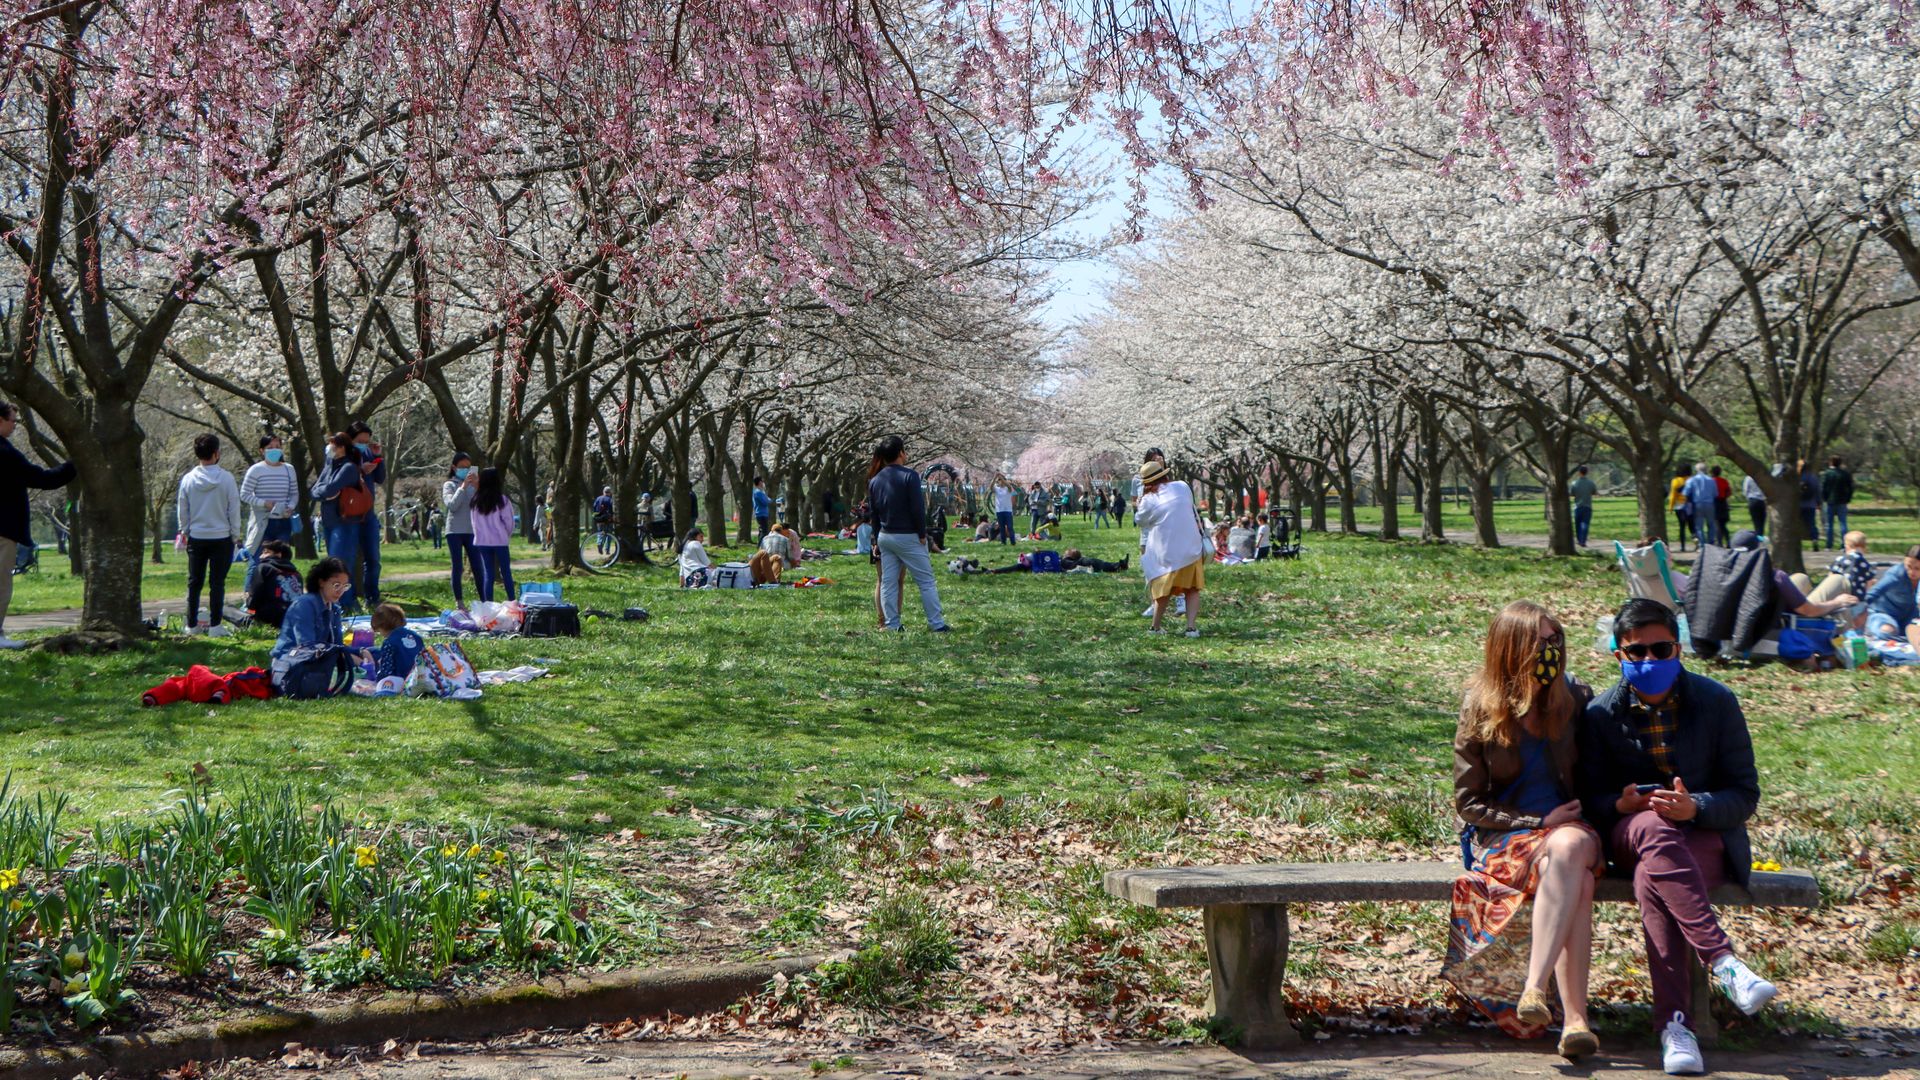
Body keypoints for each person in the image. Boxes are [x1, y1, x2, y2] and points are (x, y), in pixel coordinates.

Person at [1580, 597, 1779, 1075]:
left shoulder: (1716, 702)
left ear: (1679, 650)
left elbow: (1744, 793)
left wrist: (1698, 806)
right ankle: (1724, 962)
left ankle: (1675, 1025)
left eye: (1661, 649)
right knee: (1651, 828)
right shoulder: (1600, 715)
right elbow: (1588, 798)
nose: (1649, 661)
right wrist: (1620, 804)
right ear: (1618, 656)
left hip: (1703, 838)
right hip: (1631, 833)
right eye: (1636, 653)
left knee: (1656, 878)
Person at [1444, 601, 1600, 1059]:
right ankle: (1575, 1021)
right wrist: (1537, 822)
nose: (1552, 650)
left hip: (1574, 832)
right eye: (1540, 643)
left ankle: (1533, 988)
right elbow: (1469, 802)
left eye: (1557, 640)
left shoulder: (1577, 699)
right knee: (1579, 879)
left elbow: (1599, 776)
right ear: (1512, 649)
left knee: (1570, 845)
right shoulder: (1482, 705)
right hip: (1507, 838)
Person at [0, 402, 77, 649]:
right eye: (12, 420)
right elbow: (40, 479)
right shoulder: (4, 452)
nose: (14, 425)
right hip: (2, 529)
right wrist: (73, 465)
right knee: (1, 584)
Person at [867, 435, 949, 632]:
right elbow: (917, 508)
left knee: (888, 582)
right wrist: (922, 533)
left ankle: (892, 624)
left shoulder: (875, 480)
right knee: (926, 581)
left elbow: (874, 513)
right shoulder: (909, 476)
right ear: (901, 453)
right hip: (908, 535)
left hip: (885, 536)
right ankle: (936, 624)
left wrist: (876, 538)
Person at [270, 557, 370, 699]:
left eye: (345, 586)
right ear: (321, 582)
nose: (341, 591)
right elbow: (306, 647)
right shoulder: (304, 605)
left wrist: (361, 652)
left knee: (375, 652)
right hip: (293, 666)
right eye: (336, 585)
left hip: (319, 661)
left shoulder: (333, 608)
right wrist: (346, 657)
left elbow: (337, 645)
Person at [176, 433, 242, 637]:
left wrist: (185, 530)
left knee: (194, 582)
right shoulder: (226, 478)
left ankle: (191, 624)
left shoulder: (188, 479)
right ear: (216, 453)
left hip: (197, 536)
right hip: (221, 537)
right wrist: (235, 534)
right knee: (217, 583)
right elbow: (233, 509)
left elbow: (183, 508)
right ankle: (215, 626)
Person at [1135, 458, 1206, 637]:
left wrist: (1140, 503)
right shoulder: (1182, 486)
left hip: (1165, 550)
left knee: (1163, 590)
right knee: (1192, 588)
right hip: (1191, 546)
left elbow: (1140, 520)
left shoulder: (1148, 500)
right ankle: (1191, 628)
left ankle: (1155, 627)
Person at [1720, 530, 1857, 620]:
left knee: (1800, 578)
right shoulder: (1774, 576)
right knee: (1838, 580)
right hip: (1787, 621)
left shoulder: (1725, 576)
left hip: (1753, 621)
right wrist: (1837, 602)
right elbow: (1809, 611)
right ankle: (1848, 636)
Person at [310, 433, 372, 612]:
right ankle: (339, 602)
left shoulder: (349, 468)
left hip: (344, 522)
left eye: (333, 445)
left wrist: (324, 491)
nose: (330, 448)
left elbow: (330, 488)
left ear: (342, 447)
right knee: (333, 563)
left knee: (342, 563)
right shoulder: (330, 465)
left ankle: (346, 602)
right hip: (329, 521)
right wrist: (324, 492)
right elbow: (315, 490)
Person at [240, 434, 298, 594]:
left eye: (277, 447)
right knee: (257, 561)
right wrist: (264, 503)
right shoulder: (256, 470)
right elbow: (244, 494)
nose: (274, 450)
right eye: (270, 448)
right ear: (262, 450)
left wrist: (290, 506)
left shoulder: (289, 469)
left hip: (283, 522)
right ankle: (250, 597)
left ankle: (280, 594)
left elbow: (294, 493)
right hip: (262, 523)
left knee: (282, 561)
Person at [346, 420, 385, 607]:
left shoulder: (369, 452)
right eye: (360, 440)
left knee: (374, 559)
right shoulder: (343, 454)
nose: (363, 444)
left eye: (366, 440)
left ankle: (373, 597)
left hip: (368, 512)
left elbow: (380, 478)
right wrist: (360, 470)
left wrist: (378, 457)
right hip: (350, 512)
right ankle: (350, 597)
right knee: (350, 557)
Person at [470, 468, 517, 603]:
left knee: (488, 574)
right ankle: (512, 601)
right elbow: (509, 522)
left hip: (482, 542)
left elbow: (474, 523)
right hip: (500, 541)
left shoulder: (475, 500)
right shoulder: (502, 500)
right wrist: (505, 535)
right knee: (506, 572)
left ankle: (487, 604)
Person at [1864, 546, 1920, 658]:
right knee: (1887, 631)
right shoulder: (1895, 574)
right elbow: (1873, 593)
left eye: (1917, 568)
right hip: (1884, 614)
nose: (1911, 572)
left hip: (1910, 617)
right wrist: (1860, 612)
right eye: (1908, 566)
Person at [440, 454, 479, 609]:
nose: (466, 470)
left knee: (477, 566)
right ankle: (459, 602)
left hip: (472, 530)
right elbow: (452, 505)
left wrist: (477, 486)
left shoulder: (474, 485)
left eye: (468, 467)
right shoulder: (449, 485)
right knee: (458, 566)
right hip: (455, 531)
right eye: (462, 467)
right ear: (454, 468)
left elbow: (482, 504)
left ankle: (485, 600)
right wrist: (462, 487)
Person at [244, 539, 304, 629]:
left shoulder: (264, 568)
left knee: (227, 609)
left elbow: (253, 603)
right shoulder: (297, 574)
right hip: (294, 618)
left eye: (265, 552)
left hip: (270, 619)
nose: (260, 556)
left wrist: (248, 599)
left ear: (278, 554)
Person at [1812, 531, 1876, 604]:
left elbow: (1831, 576)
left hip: (1841, 595)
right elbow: (1869, 582)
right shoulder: (1865, 563)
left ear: (1846, 546)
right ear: (1864, 548)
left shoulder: (1840, 560)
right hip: (1858, 597)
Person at [369, 603, 426, 680]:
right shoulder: (416, 637)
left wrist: (378, 679)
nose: (381, 634)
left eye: (379, 631)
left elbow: (386, 671)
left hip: (399, 680)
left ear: (383, 626)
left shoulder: (389, 642)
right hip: (420, 677)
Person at [1819, 456, 1853, 551]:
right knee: (1843, 523)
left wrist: (1824, 498)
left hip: (1830, 501)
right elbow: (1850, 488)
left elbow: (1823, 487)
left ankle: (1829, 545)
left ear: (1831, 463)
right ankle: (1844, 545)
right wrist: (1848, 498)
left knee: (1829, 524)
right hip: (1842, 501)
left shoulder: (1827, 474)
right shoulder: (1845, 474)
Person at [1681, 464, 1718, 549]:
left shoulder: (1692, 480)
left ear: (1696, 470)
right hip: (1709, 504)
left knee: (1699, 526)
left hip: (1697, 504)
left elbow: (1685, 493)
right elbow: (1716, 494)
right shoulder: (1711, 480)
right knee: (1711, 524)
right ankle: (1711, 543)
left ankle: (1702, 545)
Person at [1568, 466, 1598, 548]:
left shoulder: (1575, 483)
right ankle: (1583, 541)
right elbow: (1594, 492)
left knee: (1577, 524)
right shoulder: (1591, 483)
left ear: (1579, 473)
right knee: (1585, 524)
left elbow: (1571, 493)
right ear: (1587, 472)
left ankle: (1579, 540)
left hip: (1577, 506)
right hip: (1588, 506)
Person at [1796, 459, 1821, 551]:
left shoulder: (1796, 477)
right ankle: (1815, 541)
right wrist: (1818, 502)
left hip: (1797, 505)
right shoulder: (1813, 477)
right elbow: (1818, 491)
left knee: (1795, 524)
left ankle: (1796, 542)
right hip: (1810, 504)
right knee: (1811, 524)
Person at [1667, 467, 1691, 552]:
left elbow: (1673, 495)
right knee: (1692, 526)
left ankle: (1683, 546)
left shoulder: (1675, 481)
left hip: (1679, 506)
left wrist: (1670, 507)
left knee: (1682, 527)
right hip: (1691, 505)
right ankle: (1697, 544)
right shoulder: (1691, 479)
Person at [1709, 466, 1731, 551]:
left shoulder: (1711, 481)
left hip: (1715, 502)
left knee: (1717, 523)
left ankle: (1720, 542)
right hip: (1723, 502)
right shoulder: (1724, 481)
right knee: (1723, 524)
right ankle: (1728, 541)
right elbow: (1728, 492)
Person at [991, 475, 1016, 545]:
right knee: (1001, 527)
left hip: (1008, 510)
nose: (999, 481)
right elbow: (991, 487)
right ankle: (1003, 541)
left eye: (1000, 480)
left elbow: (1009, 486)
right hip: (999, 510)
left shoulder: (1008, 488)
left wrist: (1002, 478)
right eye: (998, 480)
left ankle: (1013, 541)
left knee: (1010, 527)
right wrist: (994, 478)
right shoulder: (996, 489)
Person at [1741, 470, 1767, 535]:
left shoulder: (1748, 478)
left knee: (1756, 522)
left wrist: (1748, 498)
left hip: (1753, 499)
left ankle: (1758, 538)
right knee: (1762, 523)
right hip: (1762, 500)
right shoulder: (1762, 478)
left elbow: (1745, 490)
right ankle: (1760, 537)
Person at [1061, 548, 1127, 573]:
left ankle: (1118, 565)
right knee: (1103, 564)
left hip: (1085, 561)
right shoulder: (1068, 561)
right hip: (1086, 561)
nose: (1064, 554)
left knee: (1102, 565)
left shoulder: (1065, 561)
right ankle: (1118, 565)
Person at [592, 486, 615, 554]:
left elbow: (594, 507)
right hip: (607, 519)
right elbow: (611, 510)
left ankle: (599, 543)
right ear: (610, 492)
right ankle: (607, 550)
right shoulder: (610, 499)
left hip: (598, 519)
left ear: (603, 491)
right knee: (609, 534)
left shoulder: (598, 498)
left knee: (600, 532)